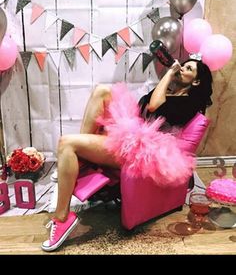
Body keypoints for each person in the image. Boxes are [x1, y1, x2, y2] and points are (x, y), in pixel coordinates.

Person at [41, 58, 213, 252]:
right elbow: (142, 110)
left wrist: (168, 73)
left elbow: (154, 106)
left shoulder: (189, 103)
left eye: (188, 68)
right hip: (133, 135)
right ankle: (82, 159)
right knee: (102, 91)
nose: (181, 68)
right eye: (183, 65)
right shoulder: (168, 92)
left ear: (196, 81)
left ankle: (63, 218)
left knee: (67, 143)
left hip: (144, 152)